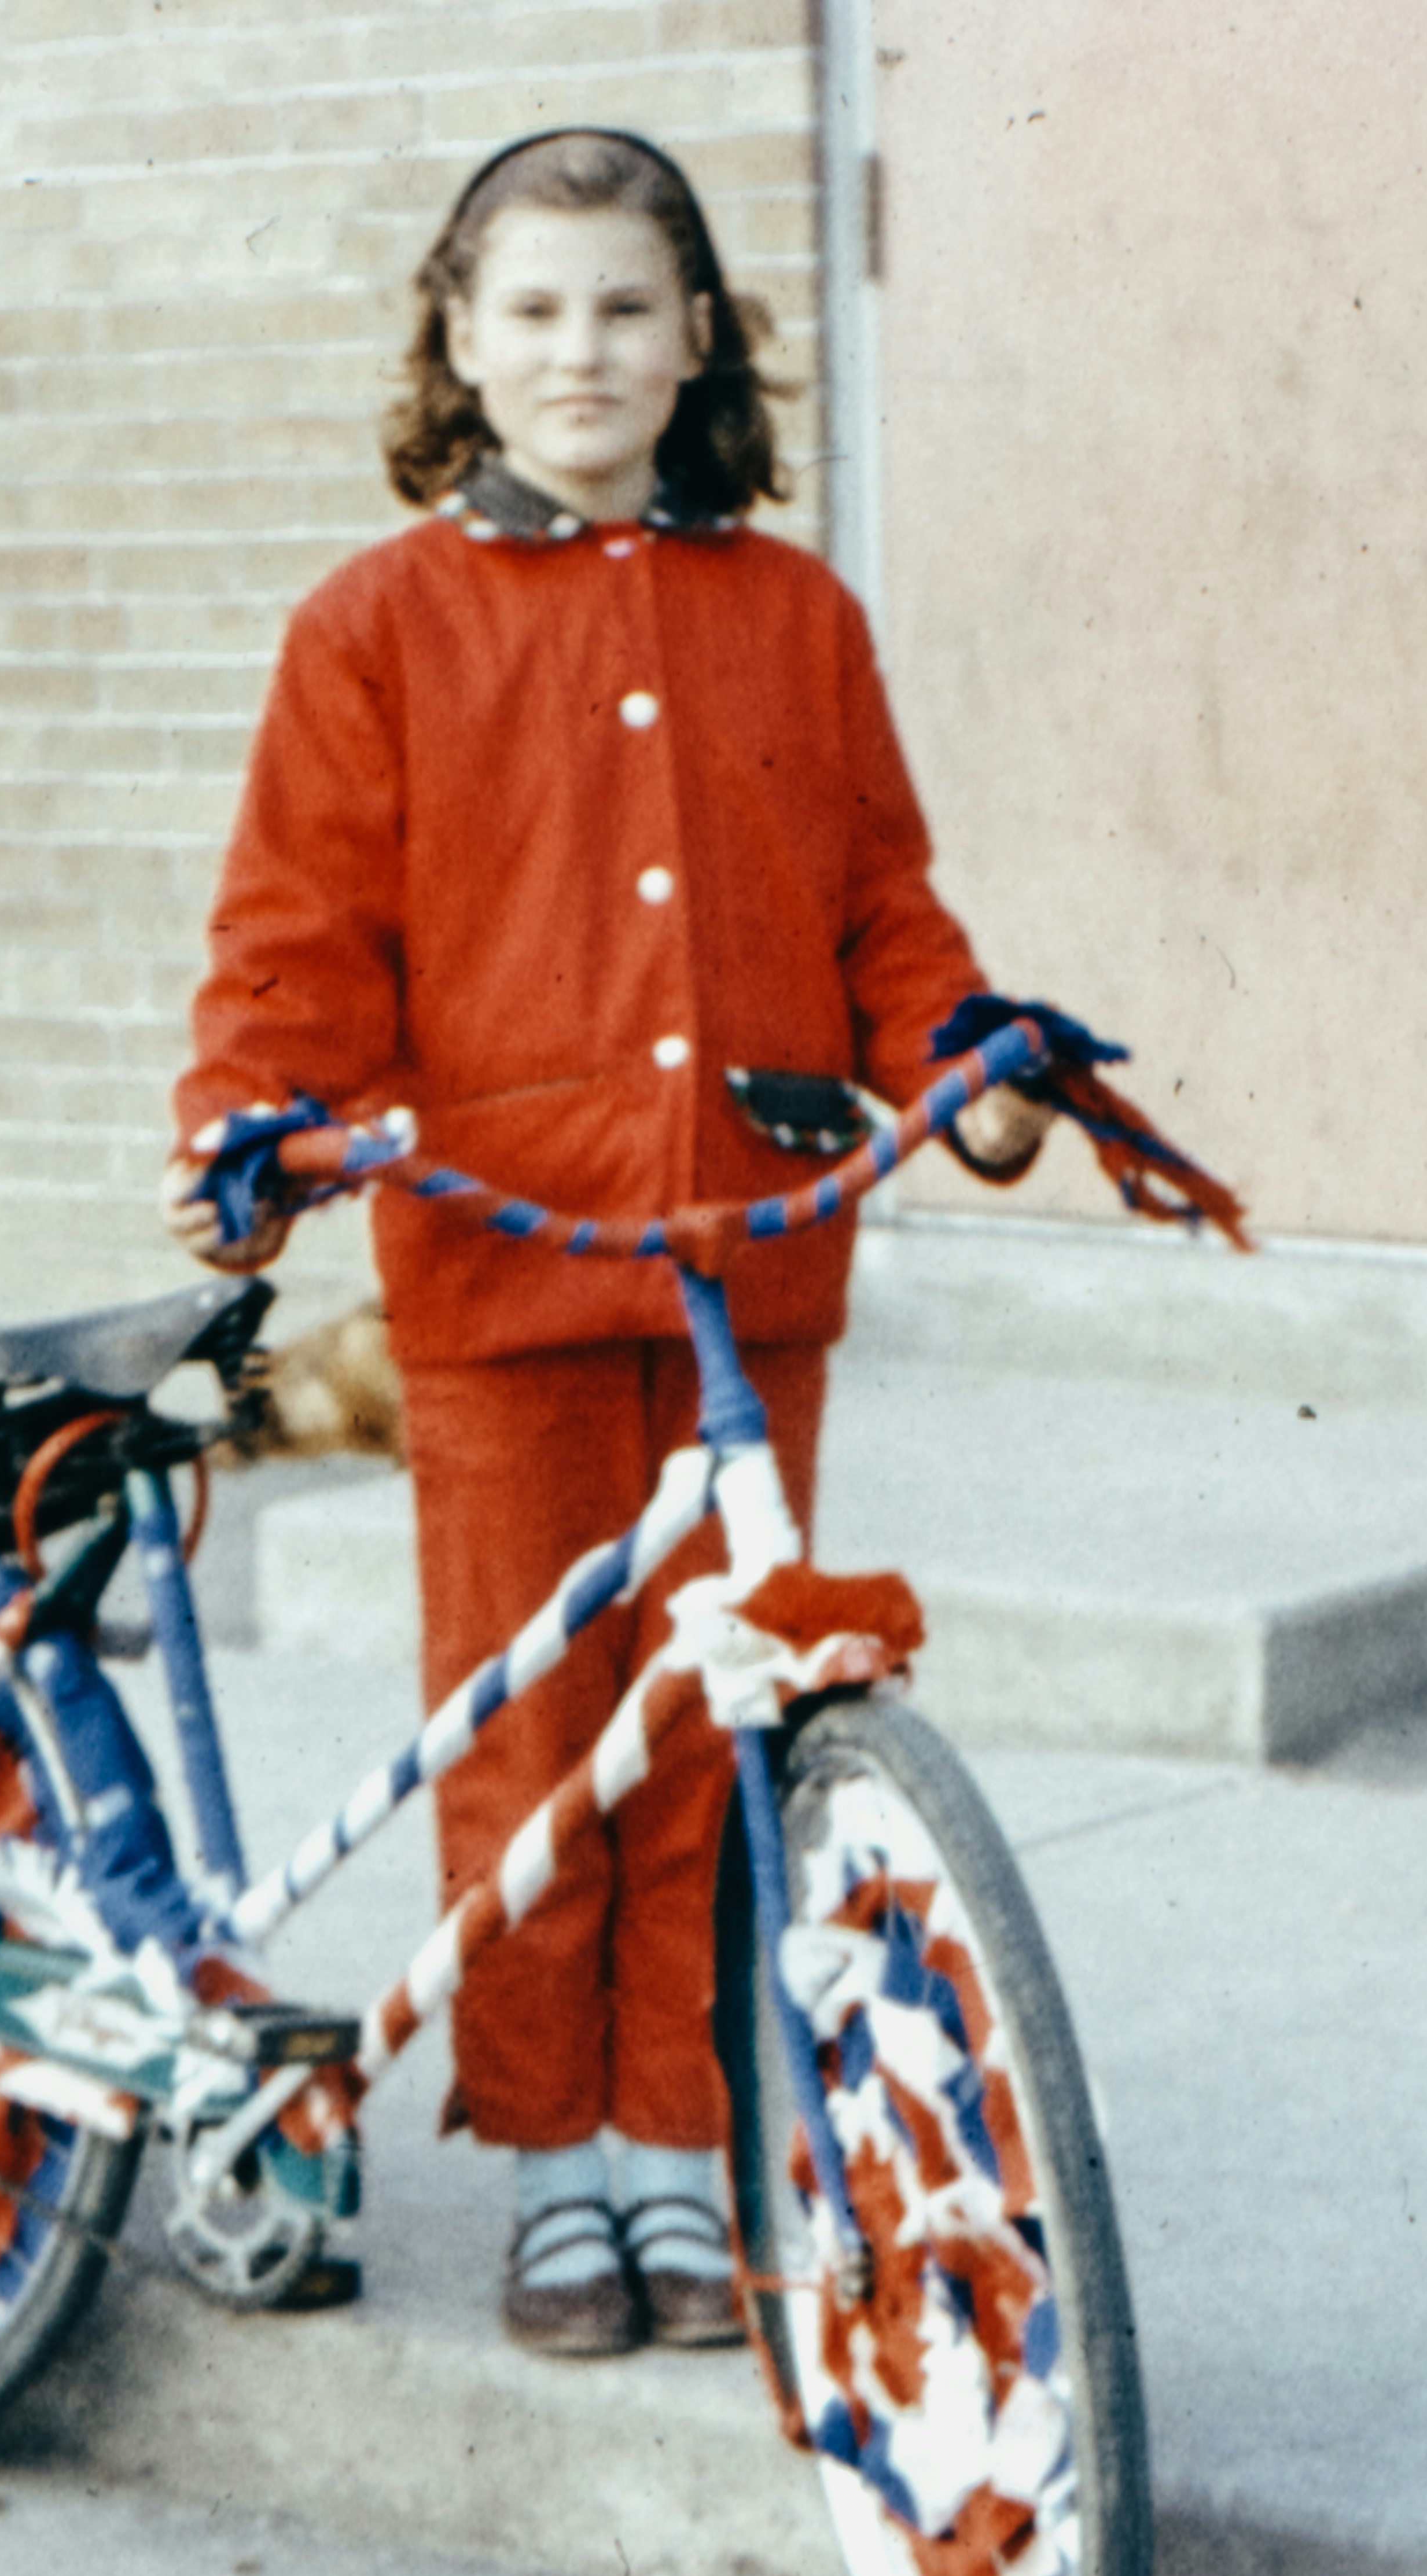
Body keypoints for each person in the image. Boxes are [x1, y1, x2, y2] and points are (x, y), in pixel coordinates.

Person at [162, 127, 1064, 2358]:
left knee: (722, 1725)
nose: (583, 354)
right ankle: (561, 2163)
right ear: (461, 346)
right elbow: (298, 943)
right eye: (535, 313)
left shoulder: (796, 618)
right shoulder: (373, 630)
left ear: (697, 343)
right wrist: (257, 1125)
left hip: (751, 1260)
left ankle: (686, 2152)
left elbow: (880, 907)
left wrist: (968, 1054)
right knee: (540, 1729)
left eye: (627, 311)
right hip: (503, 1272)